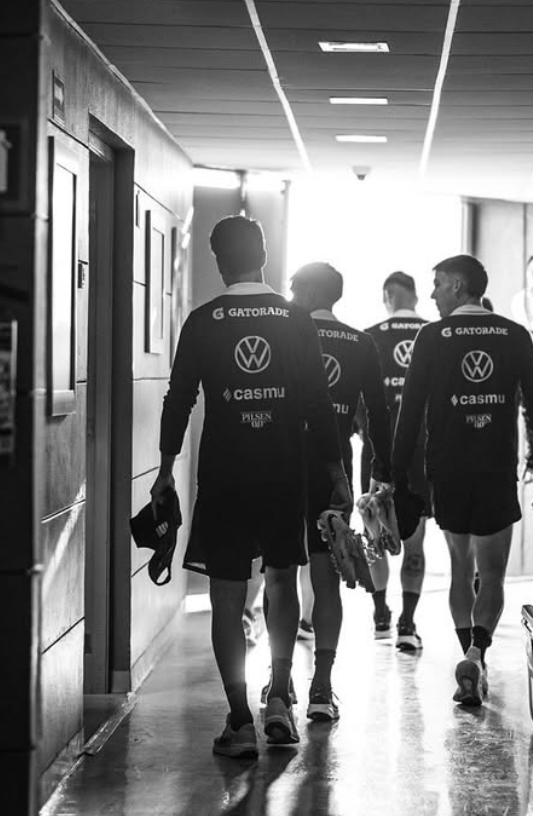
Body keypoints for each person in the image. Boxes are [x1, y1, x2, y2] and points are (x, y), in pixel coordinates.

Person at [151, 216, 349, 753]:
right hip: (284, 470)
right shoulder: (295, 319)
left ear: (219, 262)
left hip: (225, 474)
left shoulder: (203, 321)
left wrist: (166, 469)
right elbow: (318, 402)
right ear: (263, 256)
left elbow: (179, 398)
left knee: (226, 593)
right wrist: (335, 473)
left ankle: (240, 719)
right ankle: (280, 696)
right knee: (283, 580)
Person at [391, 254, 533, 707]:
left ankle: (469, 654)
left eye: (438, 284)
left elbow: (410, 412)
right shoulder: (515, 334)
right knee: (492, 573)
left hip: (447, 471)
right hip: (495, 469)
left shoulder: (432, 337)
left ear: (459, 286)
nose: (432, 294)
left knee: (461, 568)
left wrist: (394, 475)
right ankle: (476, 654)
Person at [287, 261, 393, 721]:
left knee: (279, 574)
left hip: (283, 464)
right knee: (327, 574)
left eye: (295, 290)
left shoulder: (283, 333)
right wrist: (382, 470)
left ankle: (279, 683)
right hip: (334, 472)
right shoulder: (361, 343)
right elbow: (379, 413)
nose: (291, 298)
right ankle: (322, 687)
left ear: (309, 293)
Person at [360, 271, 430, 649]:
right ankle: (408, 621)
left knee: (376, 533)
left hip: (378, 454)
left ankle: (380, 612)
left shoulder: (370, 336)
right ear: (415, 296)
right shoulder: (433, 335)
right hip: (422, 456)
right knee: (415, 541)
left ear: (387, 295)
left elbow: (359, 401)